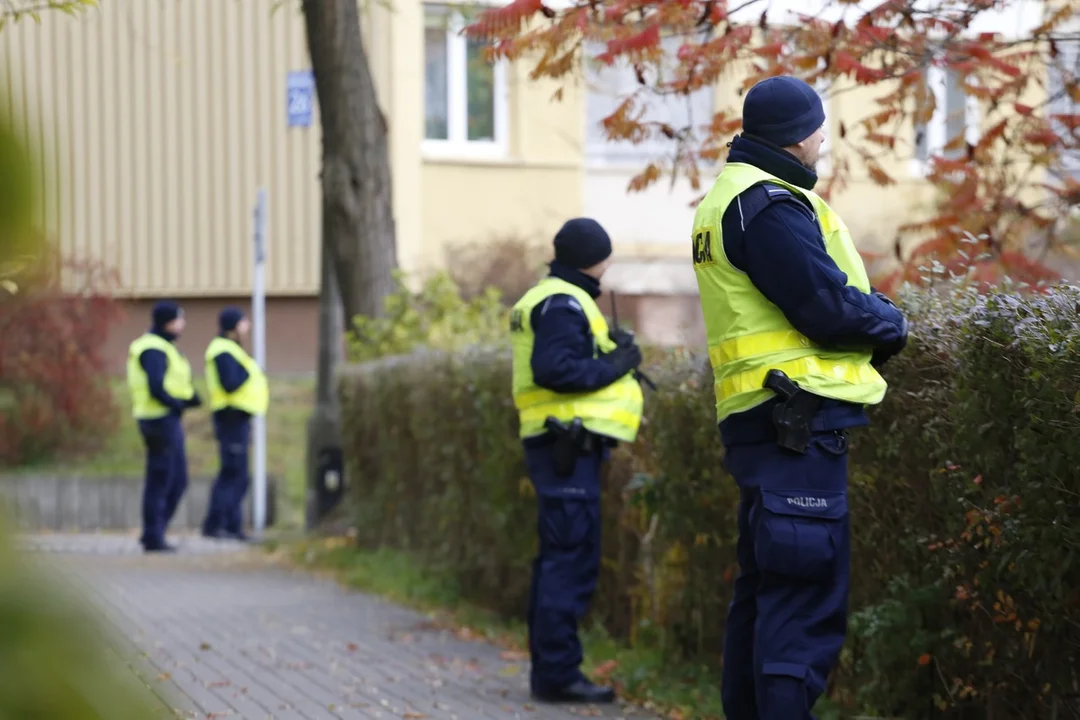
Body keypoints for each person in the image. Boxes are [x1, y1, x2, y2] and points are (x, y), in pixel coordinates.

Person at [691, 75, 909, 719]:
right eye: (819, 128)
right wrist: (892, 323)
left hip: (766, 422)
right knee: (801, 602)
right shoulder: (769, 204)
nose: (823, 139)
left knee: (765, 594)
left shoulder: (728, 199)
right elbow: (824, 306)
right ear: (798, 135)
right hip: (797, 425)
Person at [509, 218, 646, 704]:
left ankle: (553, 670)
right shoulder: (564, 303)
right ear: (595, 258)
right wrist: (617, 364)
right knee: (569, 562)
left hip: (559, 447)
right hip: (566, 448)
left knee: (558, 561)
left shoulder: (551, 296)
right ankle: (558, 675)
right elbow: (556, 370)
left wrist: (612, 352)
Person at [125, 300, 201, 553]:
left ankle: (155, 532)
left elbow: (171, 381)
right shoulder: (154, 348)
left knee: (174, 479)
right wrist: (177, 404)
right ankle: (153, 535)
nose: (183, 324)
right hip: (159, 419)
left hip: (164, 418)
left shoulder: (163, 346)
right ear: (168, 321)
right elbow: (156, 386)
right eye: (180, 319)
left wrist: (189, 399)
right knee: (164, 479)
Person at [201, 307, 268, 541]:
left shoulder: (230, 349)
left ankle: (226, 525)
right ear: (233, 326)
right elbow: (231, 382)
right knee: (234, 475)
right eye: (243, 322)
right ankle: (220, 525)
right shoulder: (223, 350)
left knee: (235, 474)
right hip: (231, 417)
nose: (247, 326)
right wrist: (249, 372)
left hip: (237, 417)